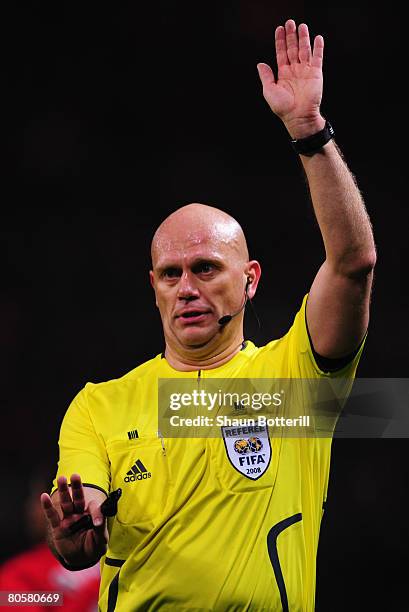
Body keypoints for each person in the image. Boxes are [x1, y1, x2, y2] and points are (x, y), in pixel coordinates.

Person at [40, 19, 376, 611]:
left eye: (206, 269)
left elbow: (353, 262)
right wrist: (75, 535)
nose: (186, 289)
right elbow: (80, 533)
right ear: (154, 288)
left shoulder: (294, 381)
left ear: (249, 282)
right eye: (171, 275)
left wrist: (308, 130)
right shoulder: (100, 405)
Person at [0, 471, 100, 612]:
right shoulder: (20, 574)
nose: (29, 509)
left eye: (35, 499)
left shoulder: (20, 571)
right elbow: (10, 598)